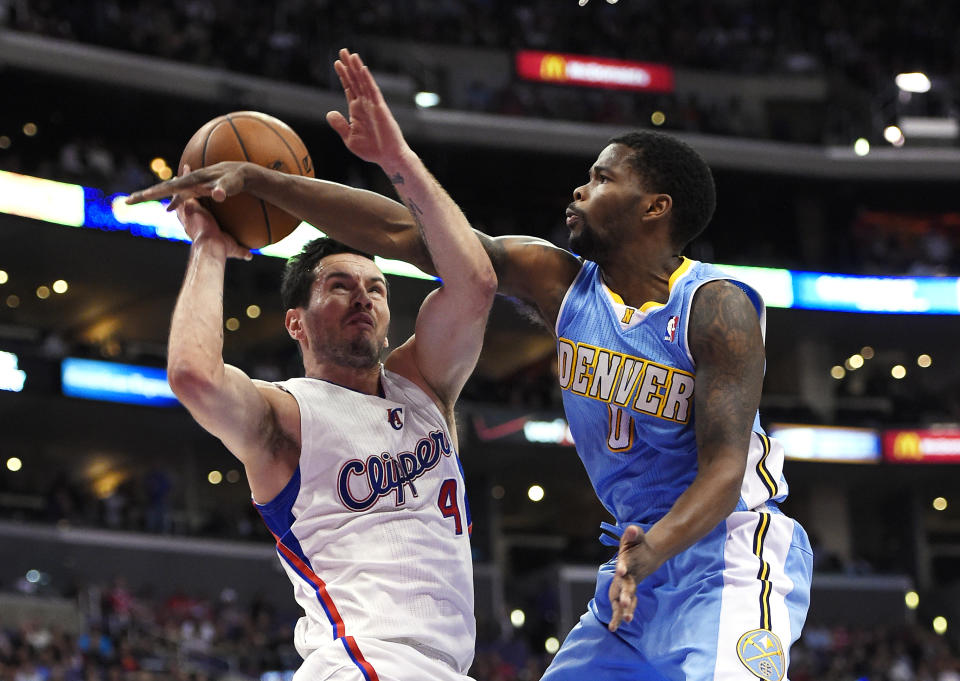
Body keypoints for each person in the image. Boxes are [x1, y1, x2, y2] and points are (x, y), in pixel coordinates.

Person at [130, 48, 811, 681]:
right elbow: (407, 233)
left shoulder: (716, 309)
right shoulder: (559, 283)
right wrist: (265, 182)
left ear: (654, 208)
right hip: (635, 566)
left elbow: (724, 473)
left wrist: (653, 550)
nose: (578, 190)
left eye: (602, 179)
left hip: (725, 554)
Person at [150, 53, 496, 680]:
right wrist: (210, 247)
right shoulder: (286, 414)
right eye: (339, 285)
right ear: (297, 322)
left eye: (377, 287)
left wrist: (398, 161)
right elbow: (194, 377)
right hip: (364, 662)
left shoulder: (425, 387)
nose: (363, 296)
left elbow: (473, 282)